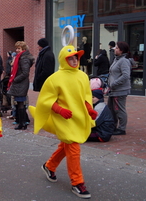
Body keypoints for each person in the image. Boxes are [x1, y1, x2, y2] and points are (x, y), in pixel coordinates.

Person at [29, 44, 97, 199]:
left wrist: (89, 109)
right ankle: (77, 183)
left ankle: (49, 166)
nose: (74, 61)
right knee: (73, 147)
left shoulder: (82, 76)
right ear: (63, 60)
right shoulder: (55, 79)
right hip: (63, 119)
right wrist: (59, 110)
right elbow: (46, 100)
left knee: (67, 145)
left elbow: (85, 96)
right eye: (70, 58)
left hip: (78, 117)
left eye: (76, 57)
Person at [7, 41, 35, 130]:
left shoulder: (24, 58)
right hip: (20, 83)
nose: (17, 50)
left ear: (23, 49)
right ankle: (22, 122)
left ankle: (22, 123)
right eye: (16, 48)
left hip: (21, 83)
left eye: (19, 48)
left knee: (20, 103)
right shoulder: (21, 57)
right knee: (19, 102)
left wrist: (15, 79)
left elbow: (25, 73)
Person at [107, 41, 131, 135]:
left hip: (120, 90)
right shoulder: (117, 60)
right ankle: (113, 126)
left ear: (121, 50)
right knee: (111, 109)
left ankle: (122, 128)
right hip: (113, 90)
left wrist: (113, 83)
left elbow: (126, 76)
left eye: (116, 48)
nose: (114, 49)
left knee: (119, 109)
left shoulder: (124, 61)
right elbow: (112, 73)